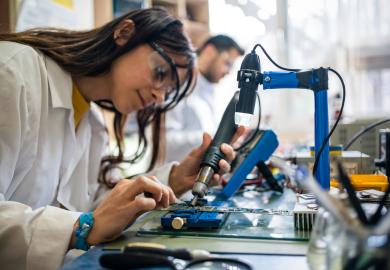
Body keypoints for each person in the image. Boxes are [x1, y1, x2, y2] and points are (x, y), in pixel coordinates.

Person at [0, 8, 240, 270]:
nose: (159, 98)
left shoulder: (93, 124)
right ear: (124, 34)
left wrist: (173, 179)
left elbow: (86, 208)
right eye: (160, 73)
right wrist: (82, 228)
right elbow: (83, 222)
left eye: (168, 90)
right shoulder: (12, 73)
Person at [165, 35, 244, 163]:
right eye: (227, 63)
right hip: (170, 176)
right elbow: (164, 143)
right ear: (209, 52)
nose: (228, 72)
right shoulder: (178, 84)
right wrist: (216, 138)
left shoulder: (211, 90)